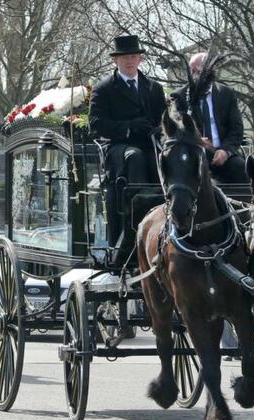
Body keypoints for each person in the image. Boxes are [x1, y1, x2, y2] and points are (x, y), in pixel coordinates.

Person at [89, 35, 167, 265]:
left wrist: (157, 130)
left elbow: (164, 120)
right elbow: (96, 124)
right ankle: (134, 221)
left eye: (133, 56)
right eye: (124, 57)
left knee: (162, 158)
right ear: (116, 61)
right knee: (135, 157)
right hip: (118, 147)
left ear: (140, 59)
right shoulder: (104, 89)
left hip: (148, 143)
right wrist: (128, 127)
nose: (129, 61)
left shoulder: (153, 88)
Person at [170, 52, 249, 184]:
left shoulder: (226, 94)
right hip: (194, 154)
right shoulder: (180, 96)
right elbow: (175, 130)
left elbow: (237, 130)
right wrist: (196, 139)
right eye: (191, 71)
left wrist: (226, 151)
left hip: (223, 153)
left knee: (241, 167)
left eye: (198, 72)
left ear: (209, 72)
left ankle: (243, 204)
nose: (194, 76)